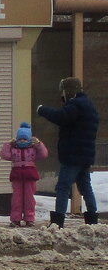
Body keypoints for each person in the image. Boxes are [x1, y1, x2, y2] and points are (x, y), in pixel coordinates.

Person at [36, 76, 100, 226]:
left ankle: (58, 221)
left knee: (63, 187)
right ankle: (92, 219)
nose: (62, 95)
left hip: (73, 154)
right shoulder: (89, 105)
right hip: (85, 155)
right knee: (85, 186)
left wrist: (42, 110)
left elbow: (61, 117)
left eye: (63, 91)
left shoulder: (75, 105)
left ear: (68, 91)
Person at [0, 122, 47, 227]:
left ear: (29, 139)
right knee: (17, 197)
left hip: (30, 174)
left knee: (29, 197)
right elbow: (4, 155)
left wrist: (39, 144)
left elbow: (43, 154)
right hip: (17, 174)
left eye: (25, 139)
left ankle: (29, 217)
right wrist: (7, 145)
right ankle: (15, 218)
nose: (22, 141)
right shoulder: (14, 149)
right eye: (20, 139)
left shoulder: (33, 149)